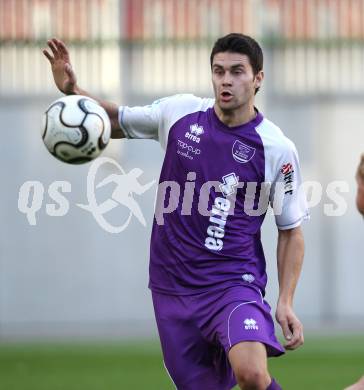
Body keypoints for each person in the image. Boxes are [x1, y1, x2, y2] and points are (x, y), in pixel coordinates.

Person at [43, 33, 309, 390]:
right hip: (172, 286)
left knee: (253, 375)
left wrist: (285, 302)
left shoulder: (276, 147)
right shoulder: (180, 112)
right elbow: (115, 121)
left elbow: (291, 230)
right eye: (218, 71)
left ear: (258, 78)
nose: (226, 80)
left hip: (233, 282)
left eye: (237, 71)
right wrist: (74, 92)